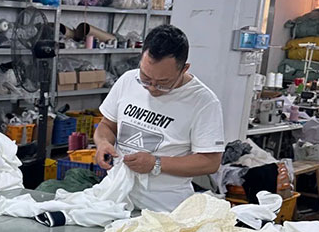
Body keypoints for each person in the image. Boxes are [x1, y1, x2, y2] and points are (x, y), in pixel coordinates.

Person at [94, 24, 225, 212]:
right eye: (145, 78)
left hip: (164, 209)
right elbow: (106, 125)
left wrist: (156, 163)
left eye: (163, 83)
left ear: (184, 69)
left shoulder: (203, 102)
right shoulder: (128, 80)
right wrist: (103, 143)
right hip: (115, 197)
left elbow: (210, 162)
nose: (152, 88)